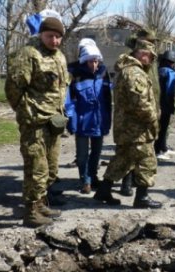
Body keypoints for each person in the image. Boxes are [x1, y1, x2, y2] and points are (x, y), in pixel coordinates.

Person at [5, 16, 69, 227]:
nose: (55, 41)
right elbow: (14, 88)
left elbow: (61, 87)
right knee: (36, 167)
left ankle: (40, 204)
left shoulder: (59, 57)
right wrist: (26, 112)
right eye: (51, 36)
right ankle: (31, 212)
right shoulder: (28, 54)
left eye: (58, 37)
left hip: (54, 121)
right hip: (34, 122)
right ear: (41, 34)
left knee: (50, 168)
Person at [94, 39, 162, 209]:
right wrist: (154, 118)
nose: (151, 61)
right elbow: (139, 103)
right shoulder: (135, 73)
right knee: (147, 161)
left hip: (126, 127)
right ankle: (142, 197)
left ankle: (104, 189)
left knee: (123, 160)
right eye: (151, 57)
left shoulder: (126, 71)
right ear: (143, 54)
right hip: (137, 129)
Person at [65, 39, 112, 194]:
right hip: (82, 121)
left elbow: (108, 98)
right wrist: (71, 119)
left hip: (99, 120)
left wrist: (108, 119)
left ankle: (93, 176)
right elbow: (70, 100)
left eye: (96, 61)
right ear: (85, 61)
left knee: (97, 152)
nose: (94, 64)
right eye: (91, 61)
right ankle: (85, 180)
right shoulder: (75, 76)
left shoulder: (103, 75)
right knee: (82, 154)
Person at [154, 50, 175, 161]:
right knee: (163, 127)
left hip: (156, 103)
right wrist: (171, 104)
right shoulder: (170, 72)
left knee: (159, 127)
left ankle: (163, 147)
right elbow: (169, 90)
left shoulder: (158, 71)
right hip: (165, 104)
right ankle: (159, 150)